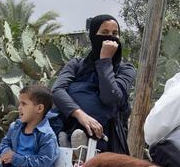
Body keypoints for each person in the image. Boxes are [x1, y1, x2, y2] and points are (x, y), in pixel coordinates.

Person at [51, 14, 136, 155]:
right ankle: (73, 144)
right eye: (104, 33)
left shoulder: (126, 69)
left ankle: (83, 146)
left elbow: (110, 97)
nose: (110, 37)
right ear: (93, 36)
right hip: (69, 126)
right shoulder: (77, 65)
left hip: (108, 139)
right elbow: (57, 91)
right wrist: (81, 115)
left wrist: (105, 61)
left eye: (115, 34)